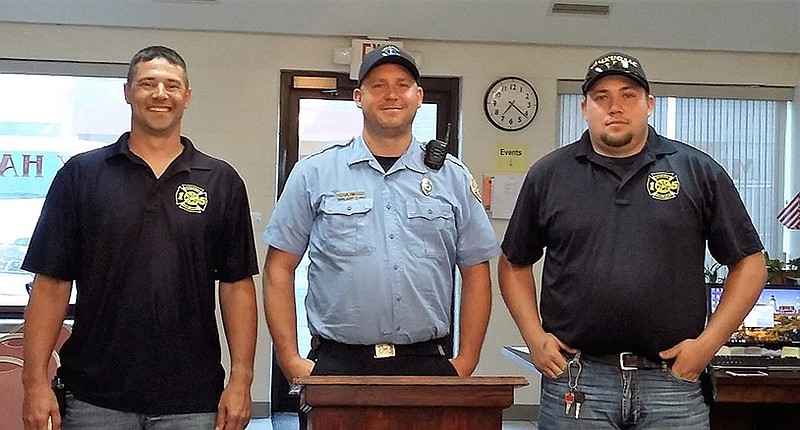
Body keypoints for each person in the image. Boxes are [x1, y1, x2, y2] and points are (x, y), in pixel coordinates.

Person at [498, 51, 767, 429]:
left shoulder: (696, 170)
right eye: (602, 97)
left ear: (649, 105)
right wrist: (533, 336)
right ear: (584, 108)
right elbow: (513, 262)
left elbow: (750, 262)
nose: (615, 107)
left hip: (672, 383)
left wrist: (706, 347)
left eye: (628, 95)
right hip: (578, 382)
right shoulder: (550, 174)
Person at [21, 45, 259, 430]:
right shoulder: (82, 175)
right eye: (147, 83)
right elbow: (51, 283)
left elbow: (236, 287)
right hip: (94, 398)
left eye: (172, 85)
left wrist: (241, 380)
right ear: (128, 91)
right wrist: (34, 381)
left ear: (188, 96)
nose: (160, 94)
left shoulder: (221, 181)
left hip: (193, 399)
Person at [263, 44, 498, 391]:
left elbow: (476, 270)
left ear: (418, 96)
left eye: (402, 85)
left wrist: (466, 360)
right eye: (378, 85)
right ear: (358, 97)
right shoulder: (315, 173)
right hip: (336, 366)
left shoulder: (452, 177)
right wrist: (290, 359)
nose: (391, 94)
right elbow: (278, 268)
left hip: (427, 364)